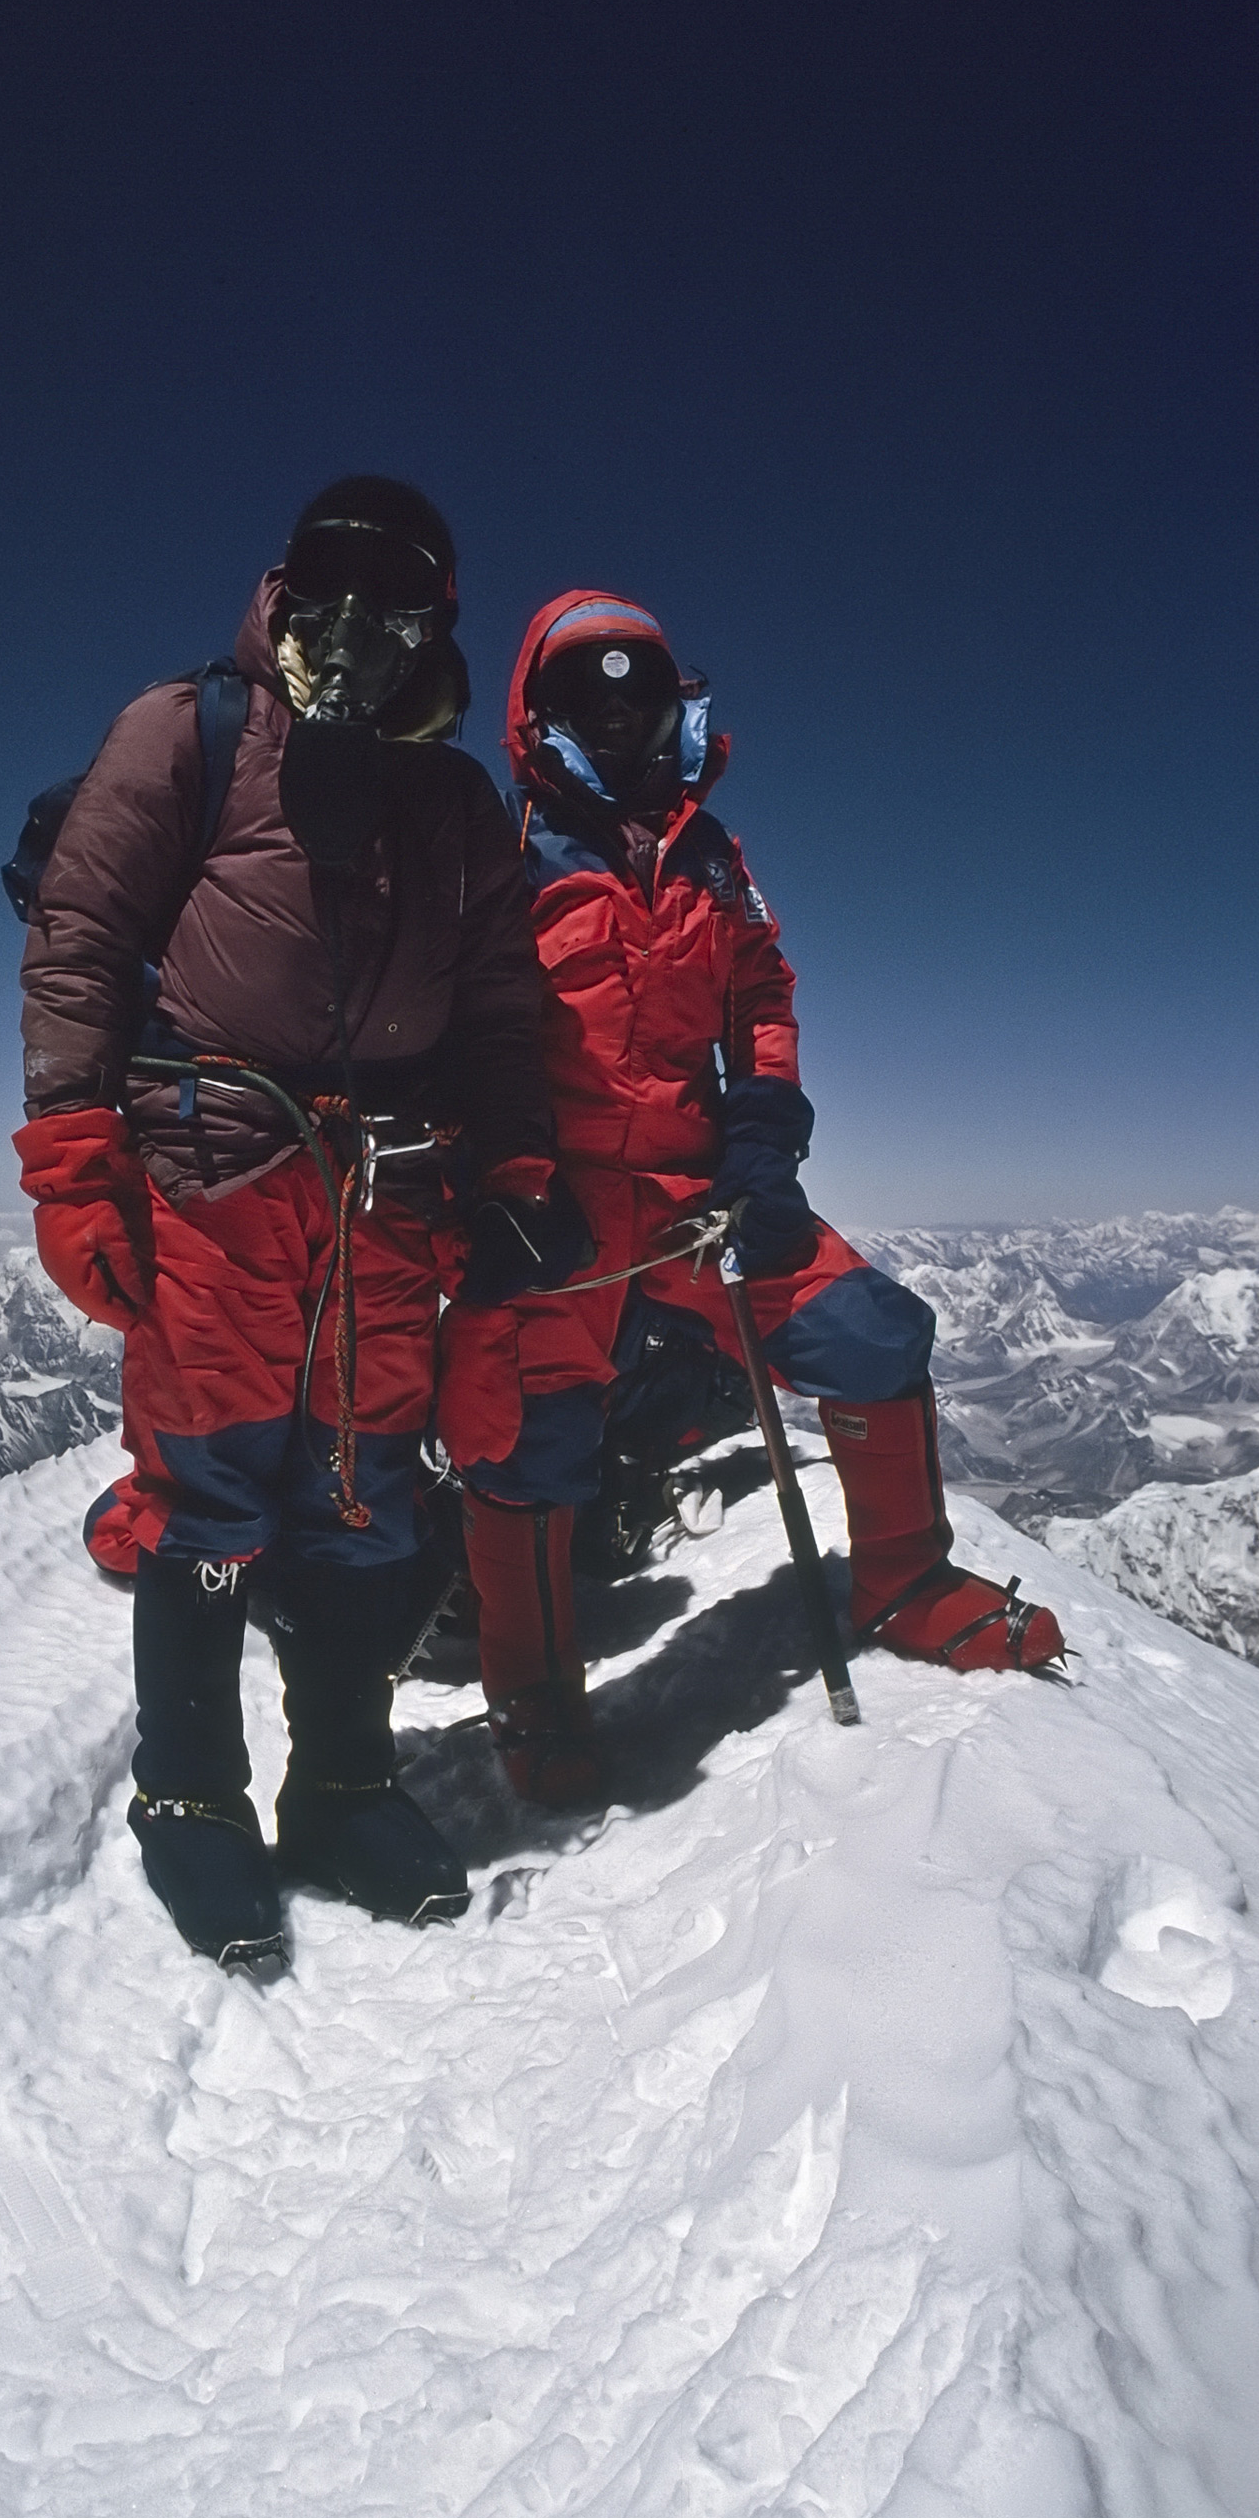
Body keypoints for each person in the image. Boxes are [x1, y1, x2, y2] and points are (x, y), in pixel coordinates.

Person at [13, 481, 585, 1967]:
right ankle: (189, 1801)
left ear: (435, 627)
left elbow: (505, 1017)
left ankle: (340, 1791)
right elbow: (82, 946)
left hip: (388, 1204)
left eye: (401, 600)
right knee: (207, 1500)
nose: (363, 625)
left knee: (359, 1506)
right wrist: (76, 1163)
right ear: (285, 584)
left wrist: (520, 1178)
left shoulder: (454, 808)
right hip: (217, 1187)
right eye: (337, 583)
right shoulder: (190, 735)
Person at [437, 589, 1066, 1807]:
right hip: (551, 1202)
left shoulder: (713, 861)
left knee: (869, 1333)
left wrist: (764, 1136)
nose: (618, 723)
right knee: (531, 1444)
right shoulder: (500, 858)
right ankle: (537, 1699)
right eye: (588, 700)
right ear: (542, 715)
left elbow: (759, 999)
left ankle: (905, 1582)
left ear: (672, 709)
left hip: (693, 1190)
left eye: (639, 698)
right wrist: (496, 1179)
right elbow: (460, 1031)